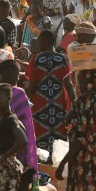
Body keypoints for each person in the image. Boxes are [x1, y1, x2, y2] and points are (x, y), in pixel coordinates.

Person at [24, 29, 75, 157]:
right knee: (59, 133)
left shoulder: (36, 59)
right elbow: (68, 84)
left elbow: (32, 85)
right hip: (59, 103)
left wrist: (30, 100)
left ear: (44, 43)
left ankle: (41, 162)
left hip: (40, 103)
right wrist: (75, 103)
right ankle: (56, 160)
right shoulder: (63, 58)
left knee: (39, 133)